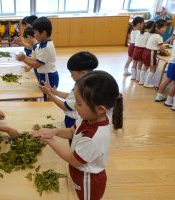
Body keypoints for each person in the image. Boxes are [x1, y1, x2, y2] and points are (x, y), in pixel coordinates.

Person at [30, 70, 123, 200]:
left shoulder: (94, 137)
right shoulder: (87, 117)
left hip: (88, 179)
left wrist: (50, 140)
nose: (74, 106)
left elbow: (73, 160)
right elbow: (72, 132)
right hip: (79, 171)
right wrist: (55, 131)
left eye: (79, 103)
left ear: (100, 109)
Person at [39, 51, 98, 131]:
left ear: (83, 73)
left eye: (72, 73)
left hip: (74, 120)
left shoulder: (82, 87)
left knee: (72, 139)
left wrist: (50, 94)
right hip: (78, 119)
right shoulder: (87, 81)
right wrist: (55, 92)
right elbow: (71, 96)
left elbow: (65, 107)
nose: (71, 76)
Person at [16, 16, 59, 92]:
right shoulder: (42, 44)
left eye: (35, 33)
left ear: (44, 33)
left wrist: (24, 59)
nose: (34, 35)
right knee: (44, 93)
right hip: (45, 75)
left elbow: (37, 64)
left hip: (48, 77)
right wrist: (25, 57)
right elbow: (36, 58)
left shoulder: (45, 47)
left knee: (47, 95)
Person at [140, 19, 170, 87]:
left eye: (166, 27)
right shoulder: (159, 37)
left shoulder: (151, 34)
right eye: (163, 27)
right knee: (153, 69)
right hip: (151, 53)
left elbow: (156, 45)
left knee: (145, 66)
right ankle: (146, 83)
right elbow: (162, 48)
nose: (165, 29)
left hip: (146, 51)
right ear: (157, 28)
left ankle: (141, 81)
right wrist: (167, 53)